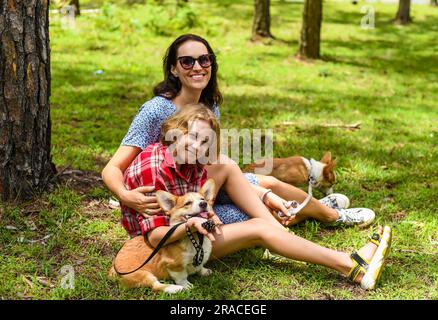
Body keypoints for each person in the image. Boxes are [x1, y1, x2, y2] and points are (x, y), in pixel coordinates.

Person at [101, 33, 375, 230]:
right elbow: (112, 168)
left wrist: (251, 187)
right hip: (178, 201)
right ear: (174, 68)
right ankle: (324, 213)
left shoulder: (209, 107)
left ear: (211, 64)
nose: (197, 66)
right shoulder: (155, 111)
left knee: (267, 183)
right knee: (260, 207)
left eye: (204, 59)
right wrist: (126, 197)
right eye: (187, 62)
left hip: (206, 184)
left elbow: (213, 164)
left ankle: (328, 213)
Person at [117, 103, 392, 290]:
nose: (197, 146)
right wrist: (194, 223)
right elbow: (155, 237)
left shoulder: (192, 160)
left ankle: (317, 229)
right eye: (191, 137)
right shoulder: (153, 169)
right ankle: (350, 265)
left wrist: (209, 214)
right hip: (158, 247)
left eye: (205, 142)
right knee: (259, 226)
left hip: (190, 231)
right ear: (172, 133)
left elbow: (201, 200)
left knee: (262, 206)